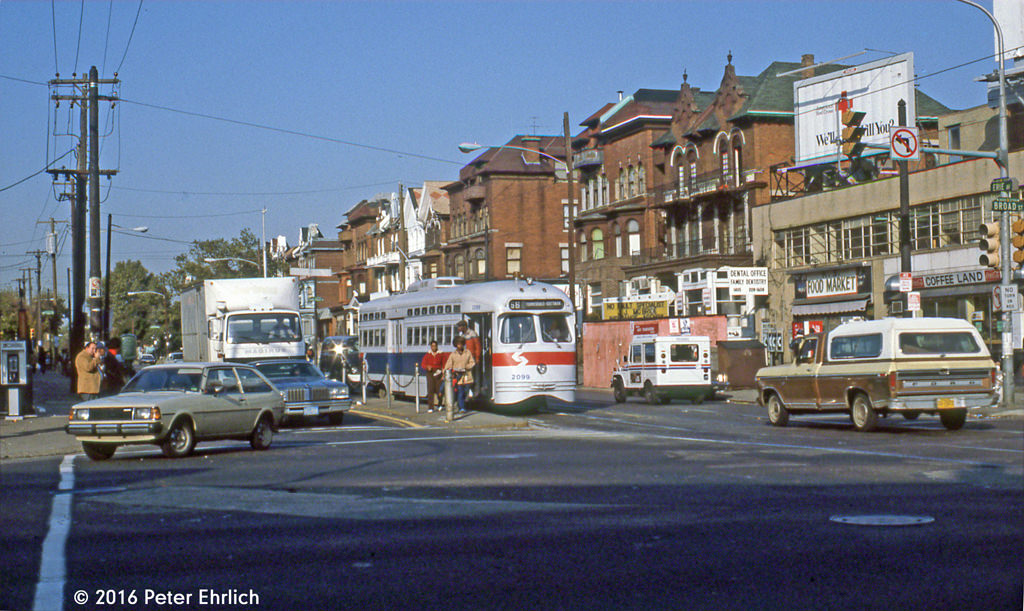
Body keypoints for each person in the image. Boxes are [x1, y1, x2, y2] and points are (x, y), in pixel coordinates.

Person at [444, 336, 476, 413]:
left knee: (466, 392)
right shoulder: (453, 354)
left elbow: (472, 362)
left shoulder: (468, 353)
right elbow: (448, 364)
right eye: (458, 344)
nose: (460, 346)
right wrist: (447, 372)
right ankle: (462, 407)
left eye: (461, 344)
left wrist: (467, 367)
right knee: (460, 392)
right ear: (456, 345)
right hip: (458, 376)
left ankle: (462, 404)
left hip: (467, 376)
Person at [420, 340, 445, 412]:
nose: (433, 347)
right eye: (432, 346)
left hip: (438, 372)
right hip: (430, 373)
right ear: (431, 347)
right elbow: (423, 364)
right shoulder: (428, 354)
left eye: (435, 346)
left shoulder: (441, 354)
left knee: (439, 390)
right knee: (430, 390)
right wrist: (427, 367)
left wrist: (443, 373)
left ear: (437, 346)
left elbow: (444, 364)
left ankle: (440, 405)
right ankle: (430, 407)